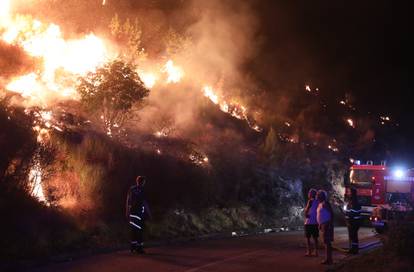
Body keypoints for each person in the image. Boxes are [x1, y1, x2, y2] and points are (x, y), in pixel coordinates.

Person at [126, 175, 151, 254]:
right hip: (139, 213)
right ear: (142, 182)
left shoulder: (132, 189)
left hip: (132, 212)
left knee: (134, 230)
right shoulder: (142, 190)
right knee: (140, 230)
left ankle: (133, 247)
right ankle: (139, 248)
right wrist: (149, 213)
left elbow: (128, 201)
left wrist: (127, 211)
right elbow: (144, 202)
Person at [317, 190, 334, 265]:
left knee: (327, 242)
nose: (317, 196)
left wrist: (329, 224)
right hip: (323, 224)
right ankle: (328, 258)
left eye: (318, 195)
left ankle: (329, 259)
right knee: (325, 242)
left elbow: (331, 214)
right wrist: (320, 224)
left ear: (322, 196)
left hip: (327, 225)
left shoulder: (325, 203)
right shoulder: (320, 204)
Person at [344, 187, 362, 254]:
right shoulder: (353, 200)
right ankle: (353, 248)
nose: (348, 193)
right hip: (353, 221)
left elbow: (352, 211)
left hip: (353, 222)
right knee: (353, 236)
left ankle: (354, 250)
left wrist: (347, 214)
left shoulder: (353, 201)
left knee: (353, 235)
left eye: (349, 192)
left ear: (352, 193)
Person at [304, 188, 319, 256]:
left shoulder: (310, 201)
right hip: (315, 222)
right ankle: (316, 252)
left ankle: (309, 251)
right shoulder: (318, 201)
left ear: (311, 194)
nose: (308, 194)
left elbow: (306, 211)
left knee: (308, 238)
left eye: (309, 193)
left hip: (309, 222)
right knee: (315, 238)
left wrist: (306, 213)